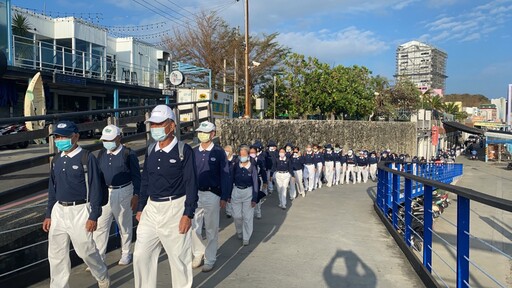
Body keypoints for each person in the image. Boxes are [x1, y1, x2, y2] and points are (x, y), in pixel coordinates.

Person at [133, 105, 198, 288]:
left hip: (175, 208)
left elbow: (191, 184)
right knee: (140, 255)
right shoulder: (151, 150)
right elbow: (145, 180)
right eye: (153, 124)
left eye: (160, 124)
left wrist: (188, 214)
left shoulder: (184, 151)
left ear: (172, 126)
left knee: (179, 258)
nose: (155, 128)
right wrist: (140, 208)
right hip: (152, 209)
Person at [42, 121, 110, 288]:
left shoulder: (87, 158)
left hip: (80, 210)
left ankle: (101, 274)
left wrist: (94, 215)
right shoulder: (56, 159)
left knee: (85, 250)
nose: (60, 140)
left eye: (64, 137)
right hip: (59, 210)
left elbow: (95, 188)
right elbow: (52, 188)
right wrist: (49, 213)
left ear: (76, 137)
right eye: (57, 137)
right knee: (56, 254)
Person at [94, 124, 141, 267]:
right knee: (101, 226)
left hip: (124, 190)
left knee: (123, 224)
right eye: (105, 140)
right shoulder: (102, 153)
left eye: (110, 139)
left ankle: (126, 253)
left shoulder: (128, 154)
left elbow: (137, 176)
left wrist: (136, 195)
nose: (107, 143)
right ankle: (99, 257)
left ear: (119, 138)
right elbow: (99, 176)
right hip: (106, 192)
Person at [191, 121, 231, 273]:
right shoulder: (194, 152)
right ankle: (198, 252)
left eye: (205, 132)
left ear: (213, 134)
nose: (202, 134)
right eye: (200, 131)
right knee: (192, 227)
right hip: (195, 195)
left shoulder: (219, 152)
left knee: (211, 229)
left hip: (213, 194)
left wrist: (224, 196)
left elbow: (225, 175)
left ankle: (210, 258)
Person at [230, 145, 259, 245]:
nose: (242, 156)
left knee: (247, 217)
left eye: (244, 154)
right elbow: (230, 180)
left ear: (248, 155)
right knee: (237, 216)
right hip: (236, 191)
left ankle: (246, 237)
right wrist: (228, 194)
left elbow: (255, 182)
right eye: (240, 154)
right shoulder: (235, 166)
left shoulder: (252, 167)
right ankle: (239, 231)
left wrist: (255, 198)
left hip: (248, 192)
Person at [249, 143, 268, 219]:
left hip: (258, 179)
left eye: (253, 152)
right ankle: (251, 212)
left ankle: (258, 211)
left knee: (257, 196)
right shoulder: (247, 161)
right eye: (251, 152)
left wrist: (265, 181)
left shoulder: (259, 161)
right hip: (249, 180)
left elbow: (263, 171)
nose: (252, 154)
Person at [224, 145, 237, 218]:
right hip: (225, 180)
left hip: (233, 181)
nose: (226, 152)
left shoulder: (235, 160)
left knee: (231, 196)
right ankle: (228, 210)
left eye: (228, 151)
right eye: (225, 151)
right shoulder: (223, 160)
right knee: (226, 195)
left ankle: (229, 211)